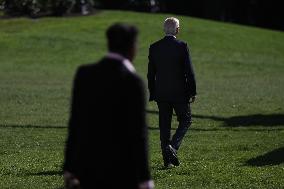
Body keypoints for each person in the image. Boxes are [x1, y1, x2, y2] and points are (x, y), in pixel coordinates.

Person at [63, 23, 154, 189]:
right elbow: (138, 132)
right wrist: (145, 178)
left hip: (88, 168)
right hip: (123, 172)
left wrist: (69, 167)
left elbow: (75, 123)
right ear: (132, 47)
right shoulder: (133, 82)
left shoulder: (84, 74)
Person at [147, 17, 197, 168]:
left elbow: (150, 74)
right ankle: (173, 148)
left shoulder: (154, 47)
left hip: (161, 93)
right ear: (177, 30)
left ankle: (167, 161)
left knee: (164, 127)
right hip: (180, 93)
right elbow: (189, 72)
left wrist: (153, 92)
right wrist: (192, 91)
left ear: (164, 29)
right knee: (186, 120)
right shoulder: (182, 46)